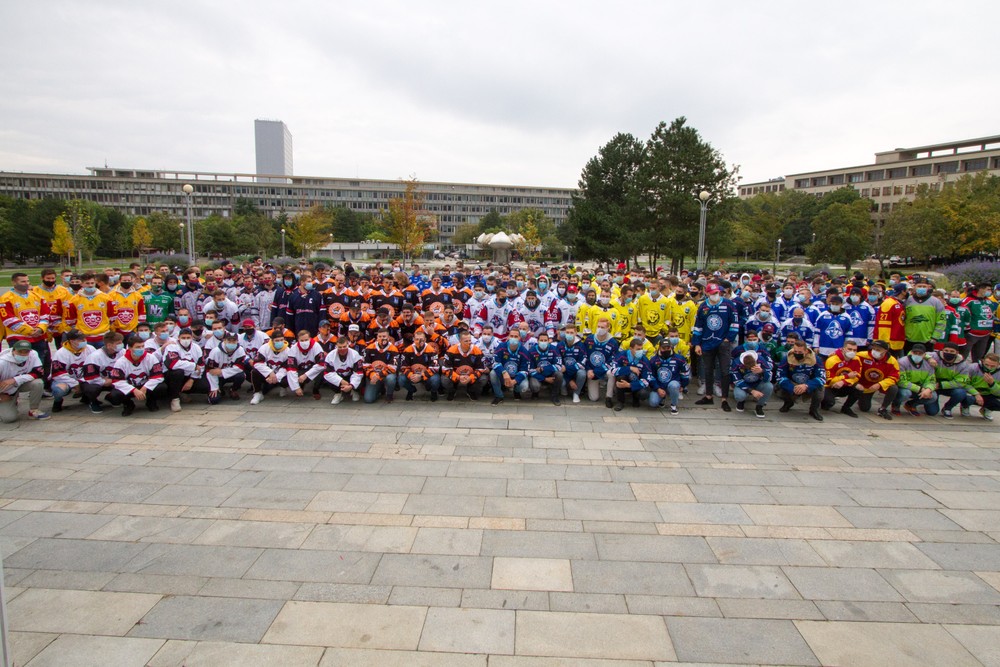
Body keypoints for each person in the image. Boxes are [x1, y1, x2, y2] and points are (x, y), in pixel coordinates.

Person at [693, 283, 739, 411]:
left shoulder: (728, 304)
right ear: (707, 293)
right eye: (712, 293)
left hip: (723, 343)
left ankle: (724, 399)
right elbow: (698, 326)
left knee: (725, 370)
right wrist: (697, 343)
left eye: (717, 293)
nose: (715, 295)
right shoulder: (703, 306)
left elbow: (735, 323)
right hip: (707, 342)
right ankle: (708, 396)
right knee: (708, 369)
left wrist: (728, 339)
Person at [107, 335, 167, 416]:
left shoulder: (150, 358)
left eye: (142, 346)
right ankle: (128, 404)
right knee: (115, 395)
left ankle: (151, 401)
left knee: (162, 387)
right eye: (138, 347)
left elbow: (158, 376)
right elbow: (117, 381)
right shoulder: (121, 362)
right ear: (130, 348)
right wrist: (134, 390)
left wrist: (146, 387)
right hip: (130, 388)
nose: (141, 349)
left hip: (145, 386)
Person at [777, 338, 826, 421]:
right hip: (793, 383)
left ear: (806, 351)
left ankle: (814, 409)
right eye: (795, 352)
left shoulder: (816, 359)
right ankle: (788, 402)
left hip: (808, 384)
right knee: (778, 387)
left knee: (820, 388)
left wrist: (807, 385)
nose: (797, 354)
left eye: (800, 352)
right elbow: (780, 376)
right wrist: (792, 387)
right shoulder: (787, 358)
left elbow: (821, 378)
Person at [0, 340, 48, 421]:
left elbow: (39, 372)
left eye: (26, 352)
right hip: (5, 389)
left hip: (20, 383)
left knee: (38, 383)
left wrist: (15, 379)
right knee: (9, 419)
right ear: (13, 350)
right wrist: (1, 395)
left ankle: (33, 410)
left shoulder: (33, 354)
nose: (23, 354)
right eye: (20, 351)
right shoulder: (2, 362)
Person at [854, 340, 899, 420]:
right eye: (874, 349)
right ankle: (860, 398)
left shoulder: (892, 361)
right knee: (864, 408)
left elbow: (894, 377)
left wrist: (880, 384)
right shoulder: (862, 355)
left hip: (880, 384)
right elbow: (846, 357)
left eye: (878, 350)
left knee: (893, 388)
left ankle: (883, 408)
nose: (875, 351)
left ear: (885, 351)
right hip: (865, 386)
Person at [50, 330, 93, 413]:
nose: (84, 341)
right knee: (59, 390)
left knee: (97, 381)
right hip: (66, 380)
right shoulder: (61, 353)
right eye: (80, 339)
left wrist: (82, 381)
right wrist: (75, 384)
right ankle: (58, 401)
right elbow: (58, 374)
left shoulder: (90, 349)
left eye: (84, 338)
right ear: (72, 341)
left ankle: (87, 397)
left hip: (84, 378)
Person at [931, 341, 976, 419]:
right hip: (933, 387)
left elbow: (961, 382)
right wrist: (928, 358)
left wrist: (941, 385)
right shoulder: (935, 356)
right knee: (932, 412)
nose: (949, 353)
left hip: (948, 387)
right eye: (946, 351)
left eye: (952, 351)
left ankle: (947, 408)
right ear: (942, 350)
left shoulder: (963, 365)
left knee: (961, 392)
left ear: (957, 352)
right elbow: (914, 353)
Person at [894, 343, 939, 417]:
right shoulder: (902, 362)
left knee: (933, 396)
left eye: (920, 353)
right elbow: (901, 381)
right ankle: (896, 404)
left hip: (921, 387)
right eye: (915, 353)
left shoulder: (929, 364)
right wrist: (920, 389)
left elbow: (931, 380)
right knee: (905, 393)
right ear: (911, 352)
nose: (917, 355)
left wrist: (928, 389)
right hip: (905, 387)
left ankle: (911, 405)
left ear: (924, 355)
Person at [821, 340, 862, 417]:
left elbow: (857, 376)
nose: (852, 352)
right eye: (849, 349)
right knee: (828, 403)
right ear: (843, 349)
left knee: (859, 388)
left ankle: (846, 408)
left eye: (855, 350)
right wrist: (846, 376)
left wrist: (843, 382)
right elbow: (829, 380)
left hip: (844, 385)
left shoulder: (857, 359)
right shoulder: (832, 360)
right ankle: (823, 402)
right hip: (830, 386)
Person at [611, 337, 653, 411]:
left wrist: (630, 385)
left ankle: (636, 398)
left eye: (641, 349)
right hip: (623, 380)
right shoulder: (622, 355)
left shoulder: (644, 359)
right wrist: (629, 368)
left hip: (636, 383)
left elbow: (647, 380)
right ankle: (620, 402)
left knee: (644, 393)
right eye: (638, 349)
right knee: (620, 376)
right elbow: (613, 370)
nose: (640, 351)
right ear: (631, 349)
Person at [250, 330, 291, 405]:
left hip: (279, 374)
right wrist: (270, 373)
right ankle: (257, 393)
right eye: (277, 340)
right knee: (254, 372)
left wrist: (276, 377)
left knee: (290, 374)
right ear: (272, 340)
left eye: (282, 340)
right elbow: (257, 363)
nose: (280, 342)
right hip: (267, 373)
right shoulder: (264, 348)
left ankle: (283, 387)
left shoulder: (288, 350)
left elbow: (286, 367)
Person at [490, 329, 531, 406]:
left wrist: (514, 381)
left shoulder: (524, 351)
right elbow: (495, 362)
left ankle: (516, 390)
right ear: (508, 337)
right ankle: (499, 396)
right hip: (504, 374)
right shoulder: (501, 346)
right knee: (492, 374)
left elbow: (525, 370)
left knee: (524, 386)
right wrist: (504, 372)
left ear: (519, 338)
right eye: (511, 336)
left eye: (516, 336)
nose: (513, 338)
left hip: (516, 375)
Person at [399, 328, 441, 401]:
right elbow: (403, 367)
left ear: (425, 340)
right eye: (417, 339)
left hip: (426, 375)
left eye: (421, 339)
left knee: (436, 379)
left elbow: (434, 368)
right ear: (413, 340)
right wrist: (411, 375)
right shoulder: (407, 350)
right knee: (401, 379)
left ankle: (433, 391)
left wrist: (421, 376)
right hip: (413, 374)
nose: (419, 341)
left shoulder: (431, 350)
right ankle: (411, 390)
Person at [649, 338, 689, 413]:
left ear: (671, 347)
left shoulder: (679, 358)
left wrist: (683, 386)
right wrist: (657, 388)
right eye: (664, 348)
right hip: (660, 386)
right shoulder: (653, 360)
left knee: (673, 386)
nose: (666, 350)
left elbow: (685, 373)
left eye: (668, 348)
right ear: (659, 348)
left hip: (673, 384)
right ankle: (662, 398)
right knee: (653, 403)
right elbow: (651, 376)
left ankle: (674, 405)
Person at [204, 331, 247, 403]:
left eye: (234, 341)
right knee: (214, 400)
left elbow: (240, 368)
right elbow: (210, 371)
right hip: (216, 376)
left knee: (241, 375)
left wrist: (222, 371)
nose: (231, 343)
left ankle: (233, 389)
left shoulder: (240, 350)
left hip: (228, 375)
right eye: (229, 341)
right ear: (224, 340)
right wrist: (214, 387)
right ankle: (220, 390)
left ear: (237, 341)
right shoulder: (215, 352)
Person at [730, 349, 773, 418]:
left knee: (769, 386)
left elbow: (769, 377)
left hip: (758, 383)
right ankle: (741, 401)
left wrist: (762, 372)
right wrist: (751, 391)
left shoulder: (761, 359)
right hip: (744, 383)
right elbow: (737, 381)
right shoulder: (736, 362)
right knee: (739, 396)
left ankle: (759, 406)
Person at [323, 336, 365, 405]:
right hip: (339, 377)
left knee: (362, 376)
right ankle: (338, 393)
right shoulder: (330, 356)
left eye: (344, 346)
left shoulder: (355, 354)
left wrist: (351, 385)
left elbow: (358, 373)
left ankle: (354, 391)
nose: (342, 349)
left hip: (350, 376)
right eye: (340, 347)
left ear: (348, 345)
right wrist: (341, 381)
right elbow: (327, 373)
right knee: (326, 376)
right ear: (336, 346)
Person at [362, 328, 399, 404]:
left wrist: (379, 375)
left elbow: (392, 368)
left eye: (384, 336)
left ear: (388, 338)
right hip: (373, 375)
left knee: (391, 378)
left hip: (386, 375)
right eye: (380, 336)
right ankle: (380, 388)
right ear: (377, 337)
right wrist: (372, 375)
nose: (382, 338)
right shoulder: (369, 348)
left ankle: (389, 394)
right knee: (368, 399)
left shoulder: (394, 349)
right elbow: (365, 366)